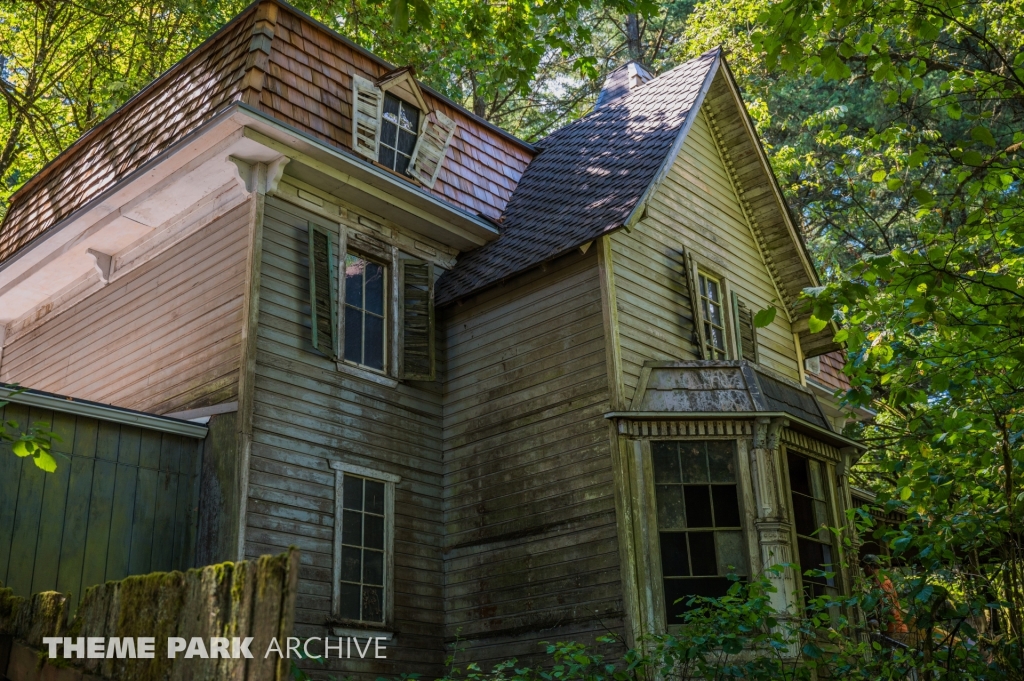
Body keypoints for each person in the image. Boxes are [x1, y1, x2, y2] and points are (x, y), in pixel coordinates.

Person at [863, 554, 909, 635]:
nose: (864, 570)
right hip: (891, 630)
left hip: (894, 630)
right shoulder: (879, 581)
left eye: (865, 567)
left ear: (870, 567)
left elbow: (891, 610)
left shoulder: (881, 583)